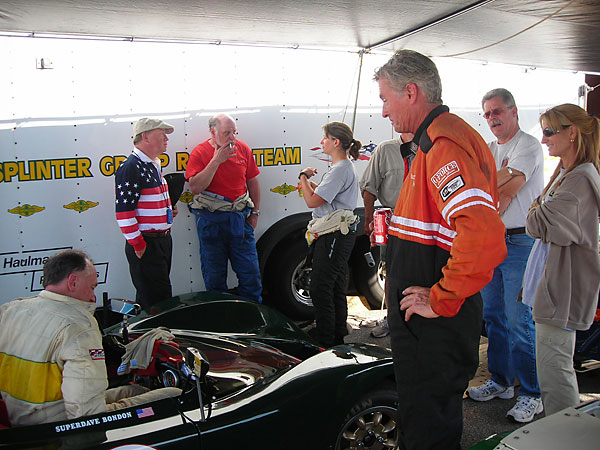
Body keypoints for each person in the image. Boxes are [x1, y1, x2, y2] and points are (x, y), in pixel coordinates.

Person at [374, 50, 506, 450]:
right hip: (429, 326)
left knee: (428, 425)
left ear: (410, 92)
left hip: (432, 329)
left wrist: (441, 297)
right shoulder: (434, 141)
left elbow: (482, 234)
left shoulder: (444, 143)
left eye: (385, 99)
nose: (383, 112)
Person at [0, 250, 180, 427]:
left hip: (19, 413)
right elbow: (87, 415)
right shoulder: (79, 327)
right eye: (92, 287)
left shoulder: (10, 310)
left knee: (136, 390)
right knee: (173, 393)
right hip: (56, 426)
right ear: (72, 282)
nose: (94, 296)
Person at [466, 88, 544, 423]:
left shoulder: (528, 145)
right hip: (491, 241)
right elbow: (485, 189)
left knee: (519, 320)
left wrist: (493, 185)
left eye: (497, 111)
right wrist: (498, 181)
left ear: (513, 111)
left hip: (519, 243)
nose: (492, 118)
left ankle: (532, 393)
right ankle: (501, 381)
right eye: (486, 114)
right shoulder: (488, 149)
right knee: (493, 316)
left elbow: (506, 192)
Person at [523, 104, 600, 416]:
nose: (544, 139)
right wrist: (538, 211)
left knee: (555, 369)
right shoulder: (567, 174)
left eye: (549, 131)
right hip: (556, 285)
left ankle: (563, 435)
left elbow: (537, 222)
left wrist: (537, 210)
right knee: (553, 365)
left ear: (572, 132)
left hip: (563, 290)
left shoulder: (580, 179)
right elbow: (538, 216)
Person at [185, 114, 262, 303]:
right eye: (226, 133)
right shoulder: (200, 152)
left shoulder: (243, 149)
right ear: (213, 132)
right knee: (214, 277)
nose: (232, 138)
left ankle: (251, 320)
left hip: (240, 219)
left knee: (250, 274)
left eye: (234, 132)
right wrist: (216, 161)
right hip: (212, 221)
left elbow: (252, 182)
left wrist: (255, 213)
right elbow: (195, 187)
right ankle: (220, 321)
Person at [298, 122, 360, 348]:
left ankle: (325, 341)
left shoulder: (341, 168)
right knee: (333, 286)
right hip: (337, 235)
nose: (321, 142)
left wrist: (303, 178)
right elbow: (325, 197)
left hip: (334, 235)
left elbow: (312, 201)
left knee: (320, 288)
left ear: (336, 142)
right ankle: (336, 336)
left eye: (325, 138)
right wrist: (312, 185)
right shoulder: (342, 168)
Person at [115, 118, 177, 311]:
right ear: (145, 136)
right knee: (156, 300)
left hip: (161, 241)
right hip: (147, 243)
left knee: (156, 296)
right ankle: (154, 338)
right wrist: (138, 243)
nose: (166, 139)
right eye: (162, 134)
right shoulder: (131, 167)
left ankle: (153, 335)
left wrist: (166, 211)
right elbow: (124, 212)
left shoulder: (153, 164)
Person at [360, 133, 415, 338]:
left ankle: (417, 320)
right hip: (394, 221)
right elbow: (369, 187)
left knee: (422, 272)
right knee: (392, 272)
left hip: (423, 222)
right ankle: (392, 319)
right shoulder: (385, 149)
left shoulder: (429, 145)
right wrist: (368, 220)